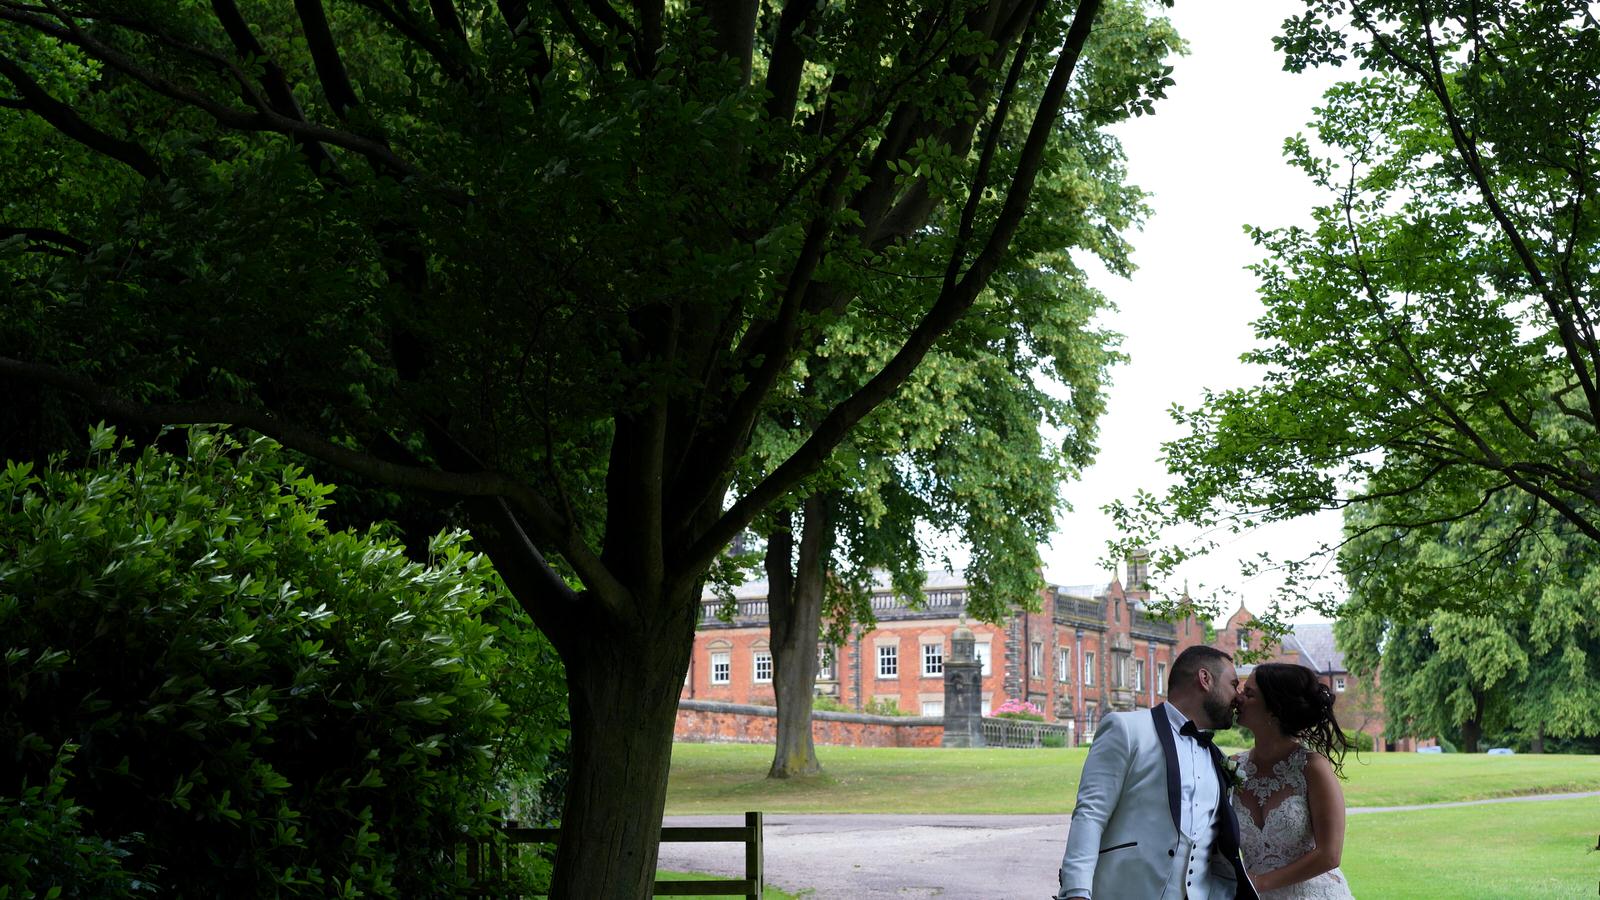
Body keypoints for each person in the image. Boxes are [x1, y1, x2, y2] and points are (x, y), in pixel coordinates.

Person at [1056, 645, 1259, 900]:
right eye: (1233, 684)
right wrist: (1076, 891)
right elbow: (1090, 813)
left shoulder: (1217, 757)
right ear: (1205, 679)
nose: (1238, 697)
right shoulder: (1127, 729)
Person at [1229, 663, 1355, 899]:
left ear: (1273, 710)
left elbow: (1330, 854)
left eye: (1249, 694)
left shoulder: (1312, 767)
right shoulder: (1232, 767)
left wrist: (1258, 883)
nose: (1238, 698)